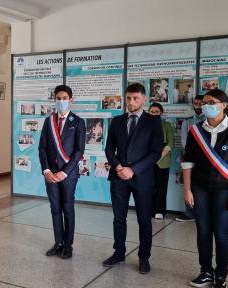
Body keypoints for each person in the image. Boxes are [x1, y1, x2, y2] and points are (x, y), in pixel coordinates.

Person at [181, 89, 228, 288]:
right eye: (203, 103)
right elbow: (187, 162)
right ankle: (205, 271)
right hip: (200, 188)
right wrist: (187, 190)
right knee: (203, 231)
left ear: (224, 104)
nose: (206, 106)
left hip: (225, 190)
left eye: (211, 102)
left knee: (221, 233)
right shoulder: (196, 130)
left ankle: (221, 274)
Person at [103, 83, 163, 274]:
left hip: (142, 179)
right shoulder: (117, 120)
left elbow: (155, 152)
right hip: (119, 177)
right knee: (118, 218)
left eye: (135, 98)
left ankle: (144, 257)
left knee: (144, 220)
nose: (131, 102)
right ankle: (119, 252)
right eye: (128, 98)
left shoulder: (153, 122)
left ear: (144, 99)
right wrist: (118, 166)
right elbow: (108, 149)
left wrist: (133, 170)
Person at [38, 85, 86, 259]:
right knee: (55, 209)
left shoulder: (78, 122)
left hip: (68, 174)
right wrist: (46, 170)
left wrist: (64, 172)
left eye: (64, 98)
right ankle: (58, 242)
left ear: (71, 100)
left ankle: (68, 246)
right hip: (50, 174)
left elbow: (79, 152)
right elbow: (42, 148)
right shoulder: (48, 121)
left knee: (67, 208)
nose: (61, 101)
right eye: (58, 98)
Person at [176, 94, 205, 222]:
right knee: (188, 186)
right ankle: (189, 213)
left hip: (207, 159)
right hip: (190, 158)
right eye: (196, 103)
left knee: (203, 187)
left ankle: (203, 214)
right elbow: (184, 142)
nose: (198, 106)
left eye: (201, 104)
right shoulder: (187, 122)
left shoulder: (210, 120)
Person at [148, 103, 173, 220]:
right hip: (147, 161)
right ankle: (149, 209)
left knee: (161, 187)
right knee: (149, 187)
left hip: (163, 160)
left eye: (156, 111)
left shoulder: (167, 125)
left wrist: (158, 157)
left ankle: (159, 210)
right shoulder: (144, 126)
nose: (153, 114)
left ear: (161, 113)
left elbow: (170, 143)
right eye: (151, 111)